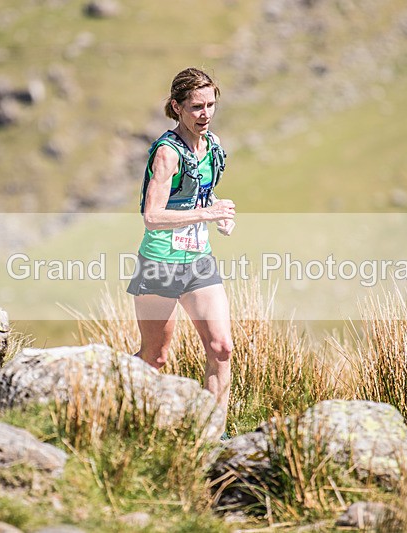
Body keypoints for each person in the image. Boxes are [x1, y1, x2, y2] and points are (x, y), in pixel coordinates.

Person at [127, 67, 235, 433]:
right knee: (155, 357)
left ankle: (213, 436)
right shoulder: (167, 154)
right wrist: (205, 213)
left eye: (211, 105)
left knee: (221, 348)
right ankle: (120, 407)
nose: (205, 114)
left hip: (198, 262)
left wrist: (219, 214)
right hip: (160, 263)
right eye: (196, 107)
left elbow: (197, 194)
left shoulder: (212, 145)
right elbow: (152, 216)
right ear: (176, 107)